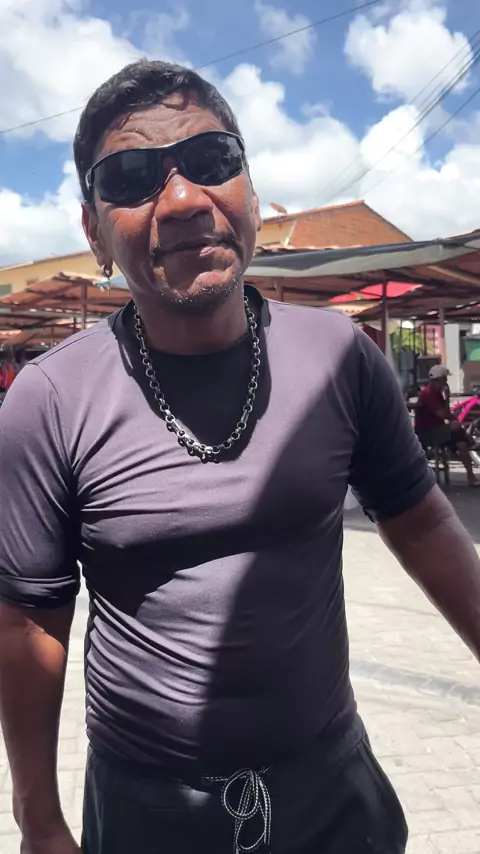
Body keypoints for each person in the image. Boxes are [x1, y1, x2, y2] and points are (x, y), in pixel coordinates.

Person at [0, 60, 479, 854]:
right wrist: (38, 818)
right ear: (94, 233)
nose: (184, 200)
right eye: (132, 178)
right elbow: (27, 623)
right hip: (147, 813)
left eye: (212, 160)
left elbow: (423, 525)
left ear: (251, 195)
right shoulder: (48, 402)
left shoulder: (340, 356)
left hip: (333, 795)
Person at [415, 364, 478, 486]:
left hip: (438, 431)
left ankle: (471, 476)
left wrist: (456, 421)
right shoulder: (428, 393)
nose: (446, 383)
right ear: (438, 380)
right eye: (444, 380)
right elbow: (442, 414)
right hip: (428, 433)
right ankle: (471, 442)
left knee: (461, 442)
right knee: (456, 428)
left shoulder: (437, 394)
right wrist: (448, 398)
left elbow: (448, 415)